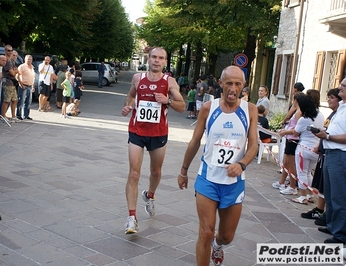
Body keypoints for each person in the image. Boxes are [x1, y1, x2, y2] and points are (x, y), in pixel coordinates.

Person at [177, 66, 258, 266]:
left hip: (234, 183)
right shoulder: (208, 108)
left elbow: (254, 144)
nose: (233, 88)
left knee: (227, 236)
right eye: (229, 83)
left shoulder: (250, 110)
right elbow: (195, 141)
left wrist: (242, 163)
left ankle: (218, 244)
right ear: (220, 84)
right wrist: (184, 170)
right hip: (208, 179)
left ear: (243, 86)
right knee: (205, 232)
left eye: (237, 84)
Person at [121, 47, 185, 234]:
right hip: (137, 130)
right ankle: (131, 218)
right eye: (154, 57)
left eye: (161, 58)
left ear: (165, 62)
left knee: (156, 172)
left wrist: (167, 101)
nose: (157, 61)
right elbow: (131, 96)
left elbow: (181, 106)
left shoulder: (170, 82)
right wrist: (128, 106)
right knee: (134, 173)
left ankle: (150, 195)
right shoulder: (138, 79)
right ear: (148, 59)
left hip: (158, 133)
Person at [313, 78, 346, 244]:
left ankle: (341, 234)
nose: (340, 87)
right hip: (330, 152)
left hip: (341, 154)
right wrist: (324, 133)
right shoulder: (341, 108)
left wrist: (328, 136)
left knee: (339, 196)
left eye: (343, 86)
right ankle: (333, 225)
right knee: (330, 193)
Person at [301, 88, 341, 222]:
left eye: (332, 97)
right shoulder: (333, 115)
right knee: (322, 183)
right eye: (328, 97)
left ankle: (327, 215)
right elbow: (326, 131)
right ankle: (321, 210)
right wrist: (319, 144)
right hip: (325, 151)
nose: (329, 100)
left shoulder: (340, 114)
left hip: (334, 154)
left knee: (332, 189)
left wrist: (326, 137)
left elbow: (331, 134)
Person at [291, 94, 324, 205]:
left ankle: (303, 196)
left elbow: (296, 132)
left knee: (301, 172)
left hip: (303, 148)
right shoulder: (320, 115)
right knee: (309, 172)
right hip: (315, 148)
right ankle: (310, 194)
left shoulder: (303, 119)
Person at [272, 92, 303, 194]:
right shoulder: (296, 111)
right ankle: (282, 181)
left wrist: (286, 131)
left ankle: (292, 186)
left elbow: (298, 128)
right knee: (285, 162)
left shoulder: (299, 112)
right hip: (289, 138)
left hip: (293, 139)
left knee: (290, 164)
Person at [1, 45, 20, 122]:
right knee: (7, 100)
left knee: (15, 100)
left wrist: (15, 71)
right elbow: (12, 73)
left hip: (12, 83)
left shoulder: (11, 61)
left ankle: (13, 116)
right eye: (8, 51)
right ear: (5, 51)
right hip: (7, 82)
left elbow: (16, 70)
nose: (10, 52)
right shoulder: (6, 61)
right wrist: (15, 71)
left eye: (11, 50)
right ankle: (3, 116)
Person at [16, 55, 35, 120]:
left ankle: (26, 115)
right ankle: (18, 115)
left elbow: (33, 77)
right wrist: (21, 84)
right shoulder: (22, 67)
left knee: (28, 102)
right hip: (23, 86)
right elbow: (17, 76)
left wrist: (33, 86)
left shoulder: (32, 67)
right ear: (24, 59)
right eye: (28, 59)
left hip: (30, 86)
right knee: (21, 101)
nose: (29, 60)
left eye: (30, 59)